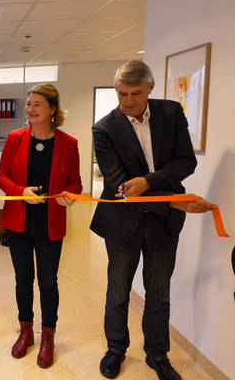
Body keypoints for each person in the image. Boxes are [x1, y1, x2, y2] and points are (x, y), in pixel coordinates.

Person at [91, 60, 215, 380]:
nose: (128, 101)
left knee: (159, 292)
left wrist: (147, 182)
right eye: (122, 94)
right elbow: (118, 185)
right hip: (122, 222)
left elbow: (185, 162)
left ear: (151, 87)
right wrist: (169, 197)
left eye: (135, 93)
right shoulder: (104, 129)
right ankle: (115, 349)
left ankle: (158, 355)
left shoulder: (171, 113)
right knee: (118, 291)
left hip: (163, 223)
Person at [0, 84, 82, 368]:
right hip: (18, 222)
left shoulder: (69, 143)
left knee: (48, 282)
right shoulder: (15, 138)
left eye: (37, 104)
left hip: (49, 223)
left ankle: (47, 336)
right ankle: (25, 331)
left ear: (53, 109)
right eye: (29, 103)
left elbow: (75, 182)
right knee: (23, 279)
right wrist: (20, 191)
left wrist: (70, 195)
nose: (30, 109)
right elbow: (1, 177)